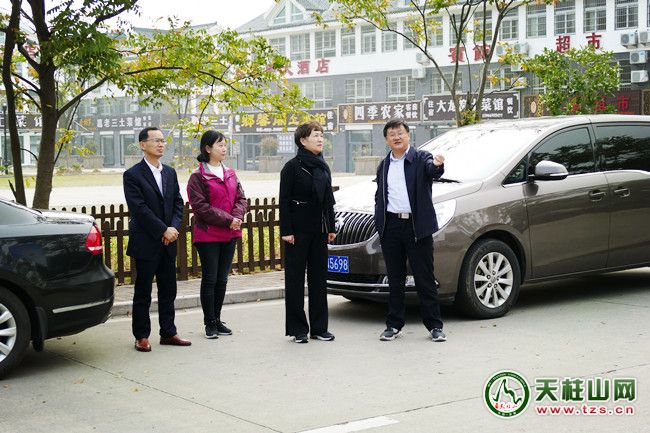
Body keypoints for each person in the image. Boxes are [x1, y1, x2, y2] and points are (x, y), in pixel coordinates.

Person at [374, 119, 447, 342]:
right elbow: (380, 195)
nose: (396, 137)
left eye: (400, 133)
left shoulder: (421, 158)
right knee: (395, 279)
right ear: (386, 140)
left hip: (417, 227)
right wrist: (380, 222)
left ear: (408, 135)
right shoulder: (384, 165)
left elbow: (432, 170)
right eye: (392, 134)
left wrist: (437, 165)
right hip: (391, 227)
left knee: (424, 278)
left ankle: (434, 326)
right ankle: (393, 325)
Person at [123, 126, 191, 352]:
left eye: (163, 141)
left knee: (168, 290)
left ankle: (168, 332)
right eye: (156, 140)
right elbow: (139, 209)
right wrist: (163, 230)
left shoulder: (169, 172)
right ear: (142, 145)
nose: (161, 144)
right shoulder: (132, 175)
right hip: (147, 241)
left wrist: (173, 228)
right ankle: (141, 335)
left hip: (168, 241)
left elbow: (178, 203)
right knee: (143, 291)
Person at [279, 121, 336, 343]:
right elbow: (284, 201)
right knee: (295, 281)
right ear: (302, 140)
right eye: (315, 135)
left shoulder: (323, 166)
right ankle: (298, 329)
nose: (320, 139)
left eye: (321, 135)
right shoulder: (292, 167)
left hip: (319, 230)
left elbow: (328, 200)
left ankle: (319, 328)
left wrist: (331, 227)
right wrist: (286, 230)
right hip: (297, 231)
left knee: (319, 280)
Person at [187, 130, 247, 339]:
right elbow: (200, 207)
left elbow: (241, 199)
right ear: (208, 148)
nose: (224, 148)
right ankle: (209, 322)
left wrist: (236, 217)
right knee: (210, 278)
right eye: (220, 145)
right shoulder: (198, 176)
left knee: (222, 279)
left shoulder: (230, 172)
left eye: (225, 145)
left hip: (230, 233)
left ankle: (218, 319)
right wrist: (228, 220)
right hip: (208, 235)